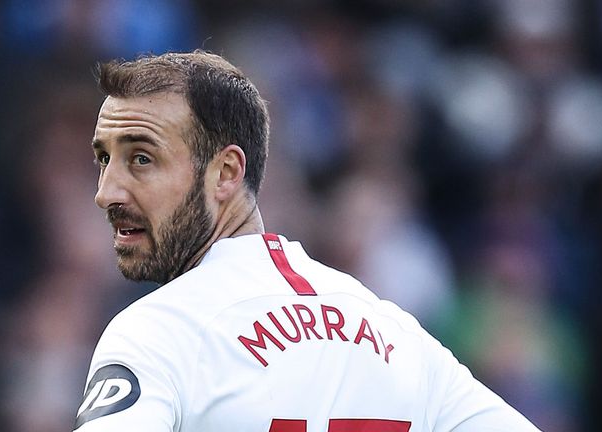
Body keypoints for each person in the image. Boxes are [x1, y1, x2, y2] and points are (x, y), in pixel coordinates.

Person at [74, 50, 540, 432]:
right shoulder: (399, 337)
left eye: (140, 158)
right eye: (103, 159)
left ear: (226, 173)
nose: (106, 192)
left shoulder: (158, 333)